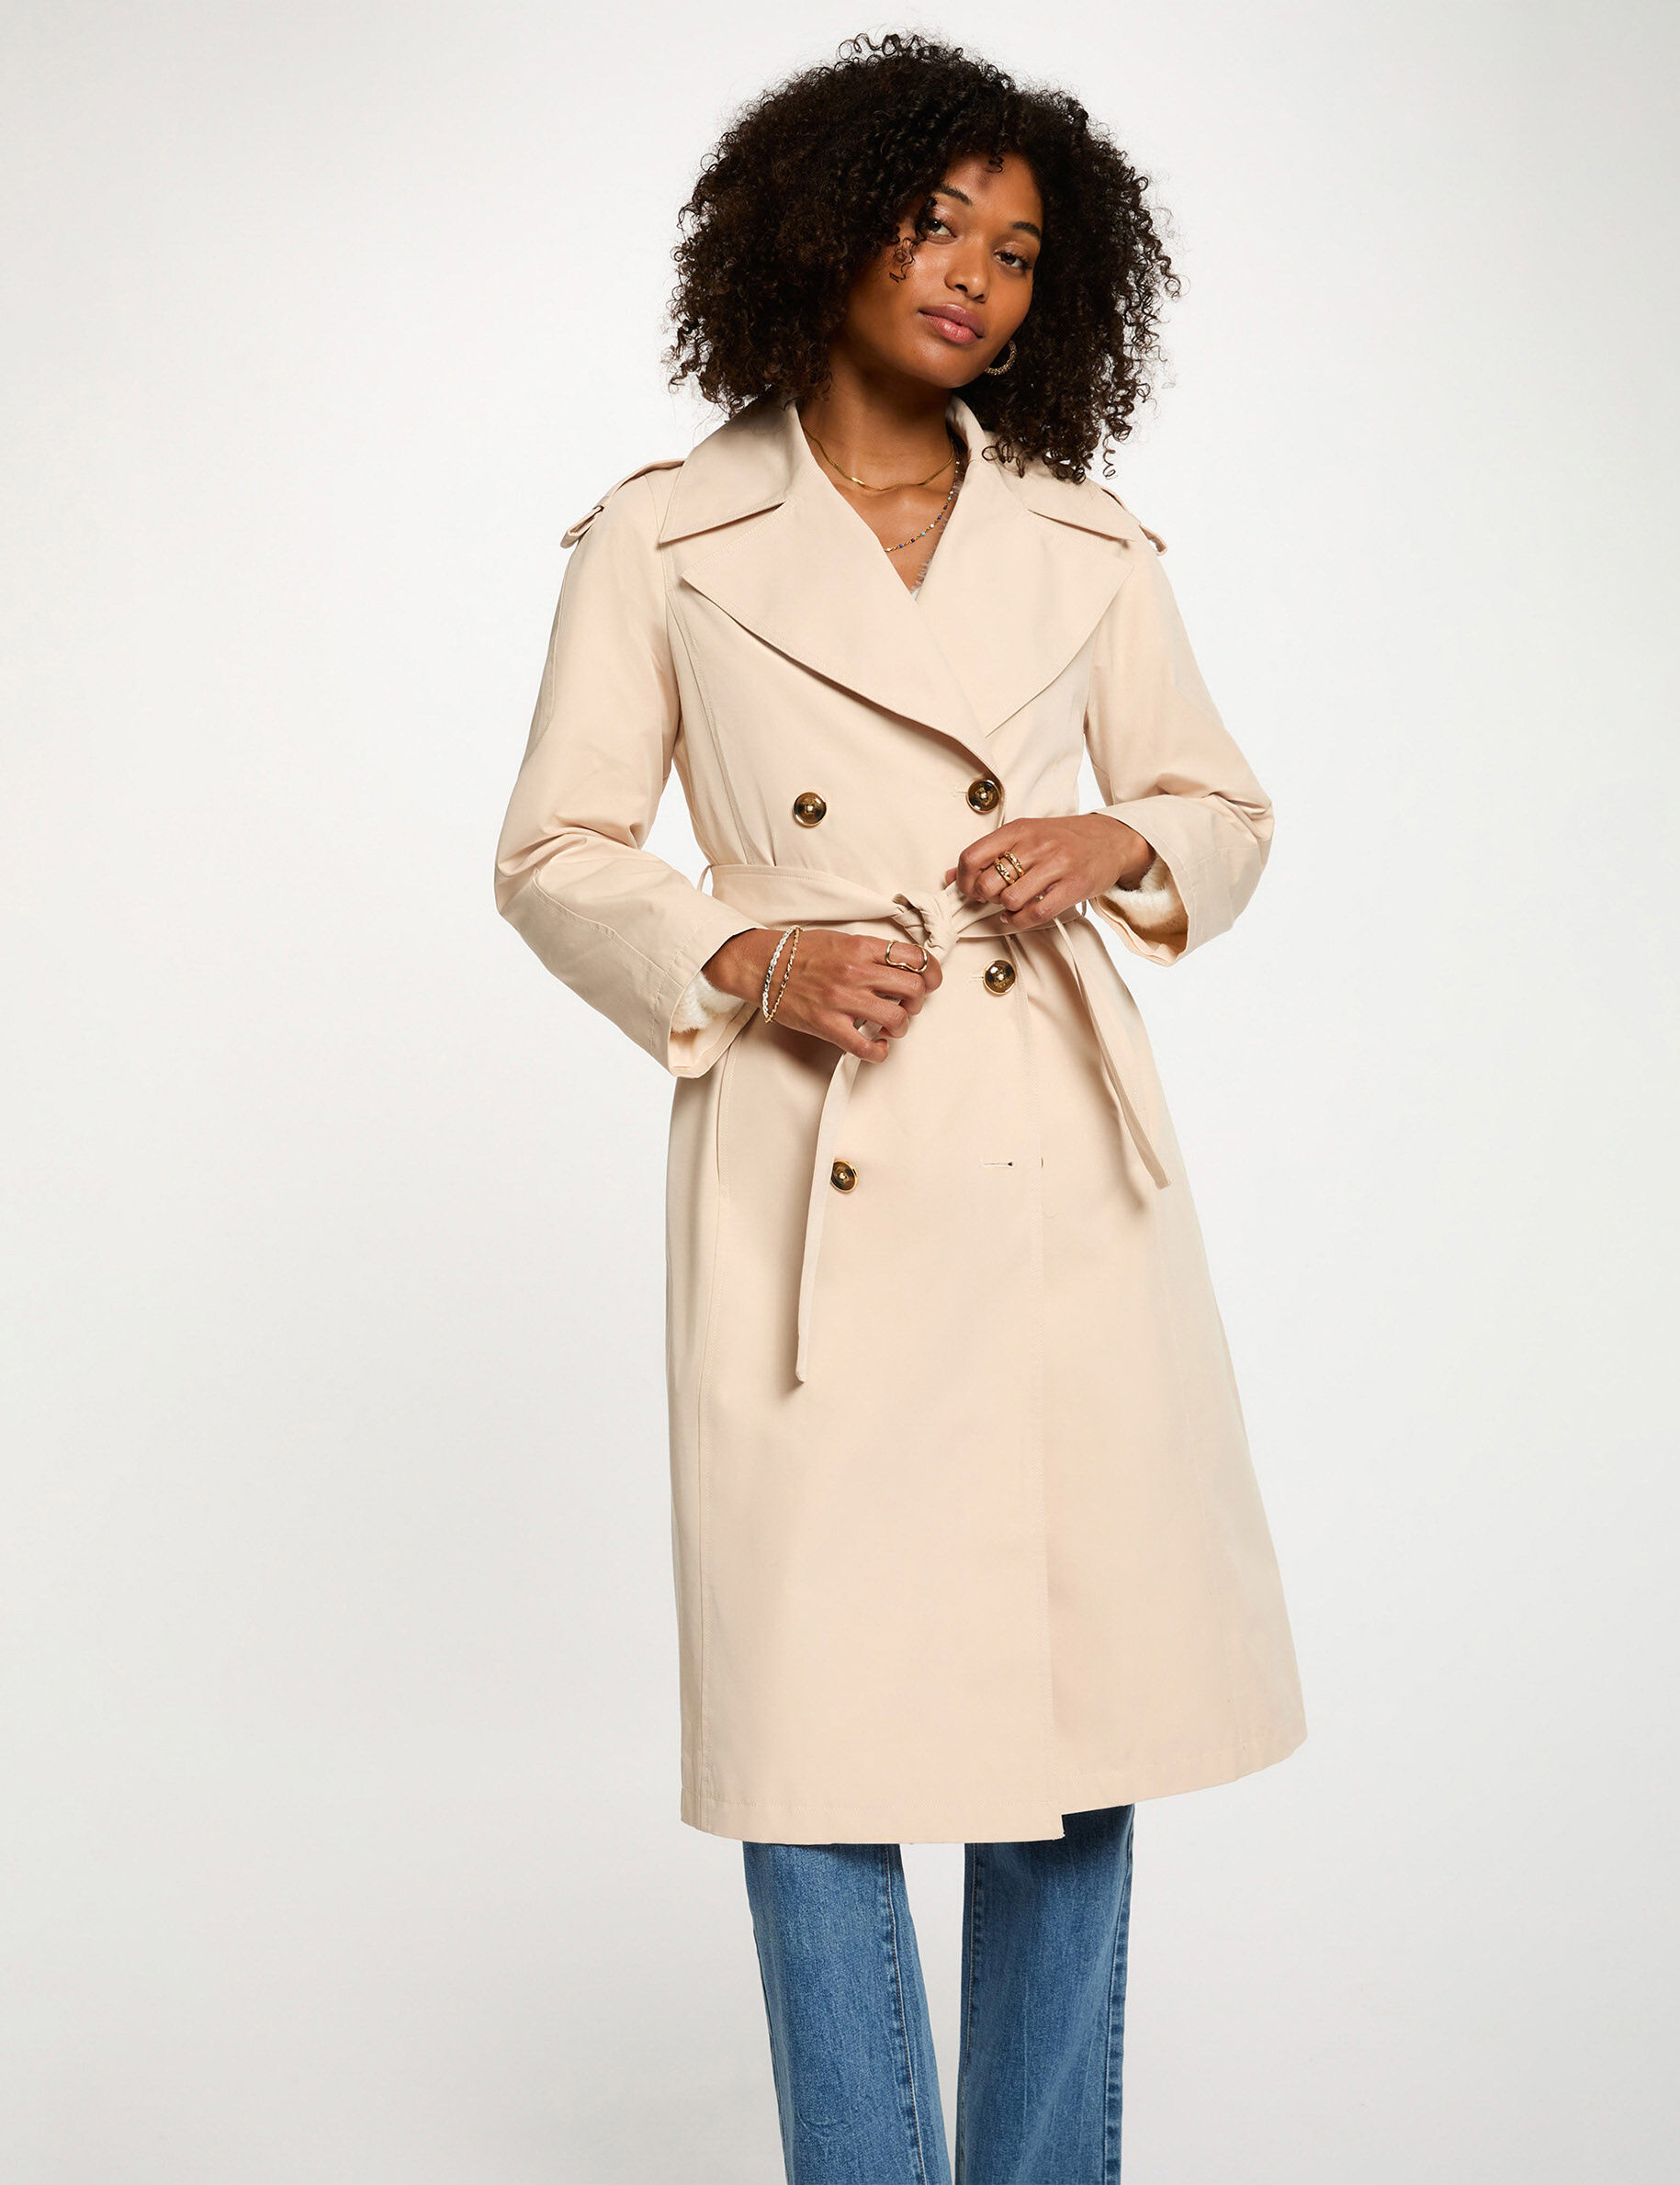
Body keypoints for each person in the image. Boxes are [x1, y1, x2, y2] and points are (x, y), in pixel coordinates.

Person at [493, 30, 1306, 2183]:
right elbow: (556, 850)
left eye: (1019, 252)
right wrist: (747, 959)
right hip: (810, 1169)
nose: (973, 275)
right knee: (815, 1749)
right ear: (821, 228)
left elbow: (1222, 809)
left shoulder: (1088, 543)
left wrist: (1119, 841)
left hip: (1057, 1174)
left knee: (1078, 1723)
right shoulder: (667, 535)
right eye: (936, 222)